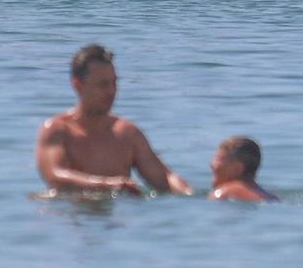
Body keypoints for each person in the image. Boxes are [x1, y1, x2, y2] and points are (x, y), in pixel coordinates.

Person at [36, 44, 191, 196]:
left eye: (114, 83)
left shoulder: (127, 134)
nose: (111, 91)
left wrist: (189, 194)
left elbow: (165, 177)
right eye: (102, 84)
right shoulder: (58, 130)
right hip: (69, 218)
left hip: (116, 218)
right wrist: (107, 184)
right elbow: (54, 175)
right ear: (78, 85)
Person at [209, 135, 278, 203]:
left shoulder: (222, 194)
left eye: (217, 160)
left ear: (237, 168)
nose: (211, 165)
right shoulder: (272, 197)